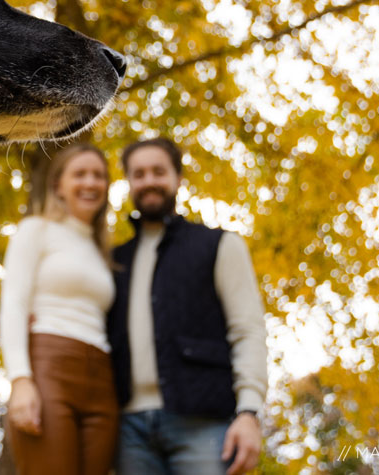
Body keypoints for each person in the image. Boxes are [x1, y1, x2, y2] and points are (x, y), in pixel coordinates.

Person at [107, 137, 268, 475]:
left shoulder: (220, 245)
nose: (149, 180)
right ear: (129, 183)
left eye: (158, 171)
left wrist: (250, 412)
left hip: (204, 422)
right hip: (128, 430)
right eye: (138, 174)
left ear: (178, 179)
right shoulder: (114, 261)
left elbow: (248, 330)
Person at [0, 144, 118, 475]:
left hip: (102, 381)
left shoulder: (101, 252)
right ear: (58, 185)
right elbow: (14, 304)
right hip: (50, 366)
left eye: (98, 175)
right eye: (79, 174)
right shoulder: (36, 229)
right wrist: (20, 379)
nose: (90, 183)